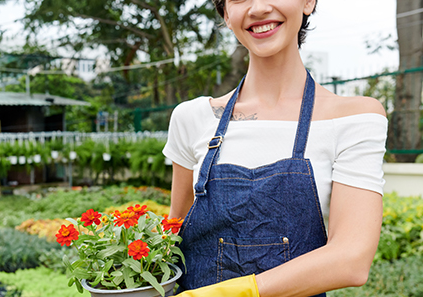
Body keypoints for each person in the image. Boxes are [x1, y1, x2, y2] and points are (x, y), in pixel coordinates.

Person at [162, 0, 387, 296]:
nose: (257, 8)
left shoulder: (354, 118)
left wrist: (233, 293)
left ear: (308, 2)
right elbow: (175, 233)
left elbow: (351, 258)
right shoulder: (192, 117)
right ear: (227, 14)